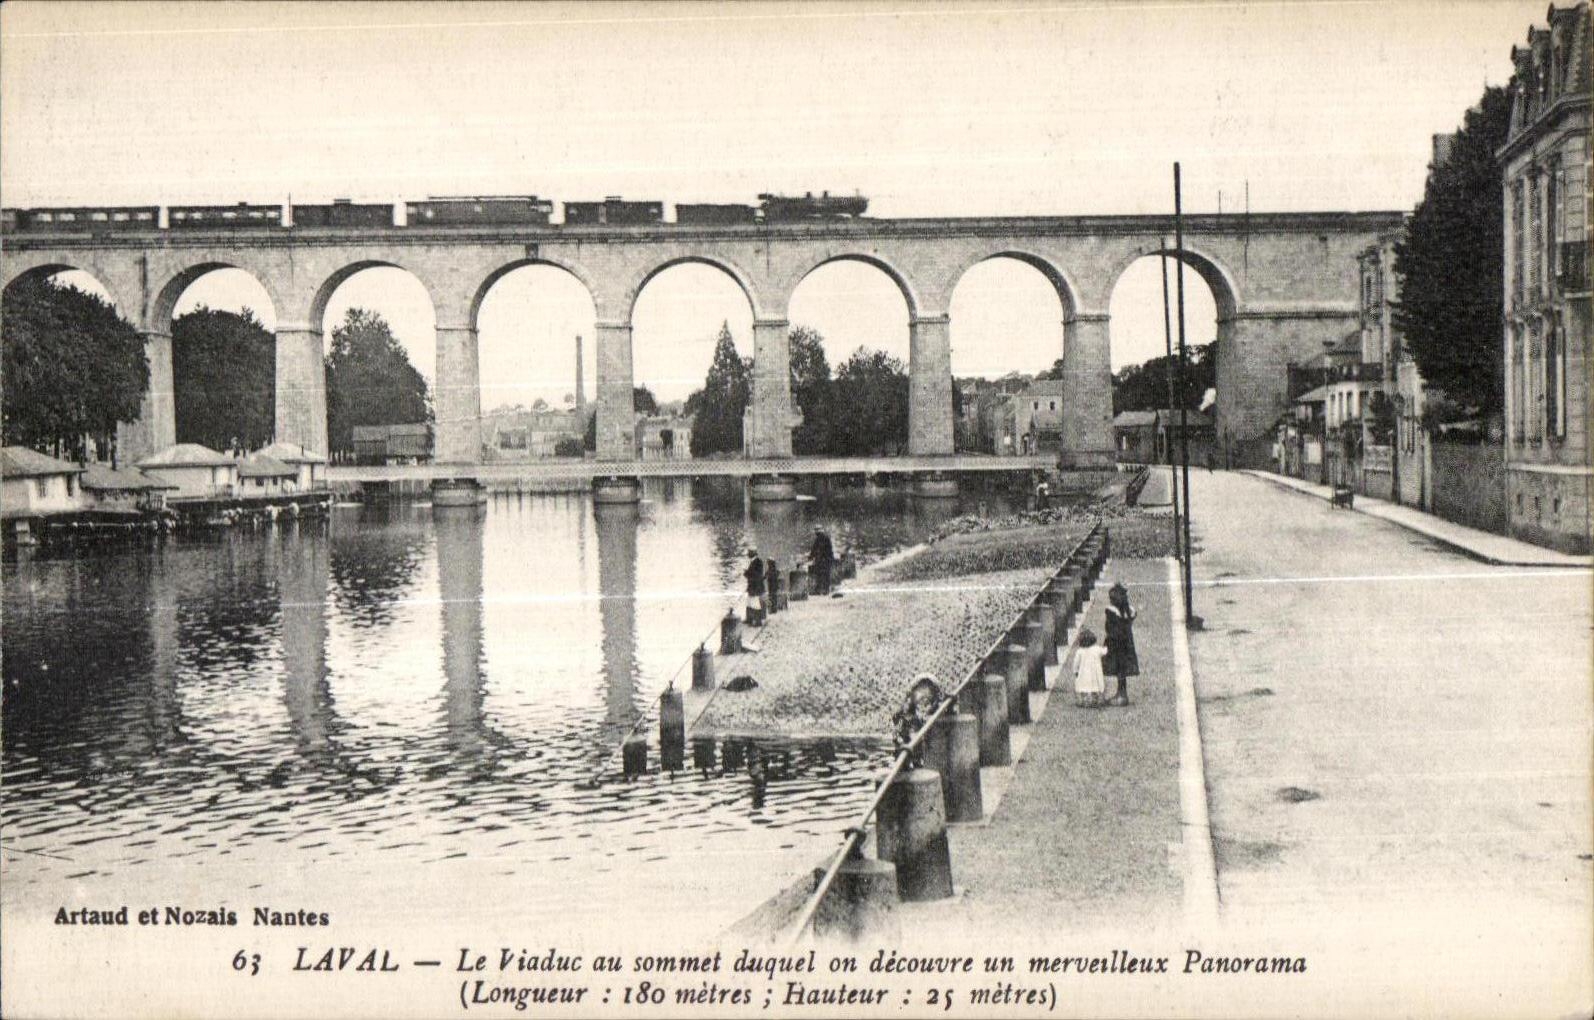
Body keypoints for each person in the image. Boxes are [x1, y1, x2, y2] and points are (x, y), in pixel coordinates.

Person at [891, 674, 945, 766]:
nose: (924, 700)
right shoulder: (905, 715)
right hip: (911, 752)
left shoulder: (938, 714)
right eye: (920, 691)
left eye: (928, 698)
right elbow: (898, 736)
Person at [1103, 581, 1140, 706]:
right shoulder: (1128, 611)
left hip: (1115, 643)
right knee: (1122, 669)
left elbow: (1109, 628)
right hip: (1127, 643)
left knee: (1118, 668)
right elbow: (1132, 616)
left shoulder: (1111, 612)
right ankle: (1122, 693)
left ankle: (1121, 695)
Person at [1072, 628, 1108, 708]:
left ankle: (1085, 701)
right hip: (1095, 673)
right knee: (1095, 686)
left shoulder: (1080, 651)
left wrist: (1075, 671)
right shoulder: (1096, 649)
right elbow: (1105, 651)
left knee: (1084, 687)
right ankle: (1095, 700)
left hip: (1084, 673)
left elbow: (1076, 663)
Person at [809, 527, 835, 595]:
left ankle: (822, 590)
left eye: (816, 532)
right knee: (824, 575)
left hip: (825, 559)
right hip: (825, 559)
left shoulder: (822, 539)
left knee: (822, 575)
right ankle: (824, 590)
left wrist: (811, 557)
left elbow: (818, 550)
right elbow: (815, 549)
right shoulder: (823, 538)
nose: (816, 533)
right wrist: (811, 556)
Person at [744, 551, 765, 626]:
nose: (748, 555)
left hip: (755, 586)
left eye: (749, 553)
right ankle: (749, 619)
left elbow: (756, 574)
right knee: (749, 602)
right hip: (752, 585)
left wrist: (747, 573)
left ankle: (758, 621)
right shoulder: (753, 561)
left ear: (753, 554)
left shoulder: (758, 562)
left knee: (755, 602)